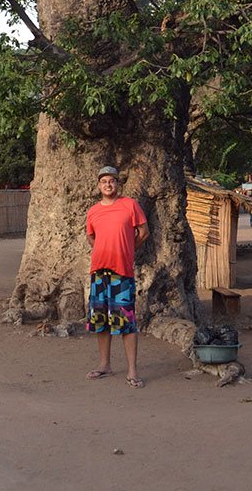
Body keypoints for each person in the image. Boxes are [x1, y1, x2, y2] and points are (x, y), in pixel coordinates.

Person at [86, 165, 149, 389]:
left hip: (121, 273)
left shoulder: (129, 205)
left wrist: (128, 249)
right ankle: (105, 364)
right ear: (99, 185)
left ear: (117, 183)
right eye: (103, 181)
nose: (108, 185)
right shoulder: (93, 211)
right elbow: (91, 236)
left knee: (126, 322)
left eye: (111, 181)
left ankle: (132, 370)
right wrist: (103, 249)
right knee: (101, 321)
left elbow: (143, 232)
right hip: (99, 272)